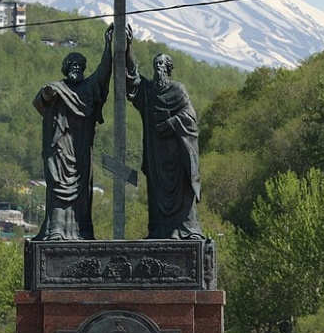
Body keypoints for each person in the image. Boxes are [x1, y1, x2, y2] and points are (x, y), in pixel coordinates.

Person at [32, 27, 113, 241]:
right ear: (66, 68)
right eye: (72, 65)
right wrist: (47, 94)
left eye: (79, 65)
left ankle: (80, 231)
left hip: (81, 152)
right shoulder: (56, 88)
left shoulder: (88, 89)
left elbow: (103, 74)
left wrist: (108, 46)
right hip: (60, 153)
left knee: (81, 194)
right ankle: (57, 229)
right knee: (58, 190)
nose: (76, 68)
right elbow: (39, 101)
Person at [125, 31, 202, 239]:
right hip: (157, 155)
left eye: (161, 65)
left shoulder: (178, 90)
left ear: (168, 69)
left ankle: (186, 230)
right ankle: (160, 230)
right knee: (157, 196)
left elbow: (190, 118)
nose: (158, 68)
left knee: (182, 193)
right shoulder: (149, 92)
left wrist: (169, 123)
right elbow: (132, 78)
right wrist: (128, 47)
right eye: (155, 65)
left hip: (177, 153)